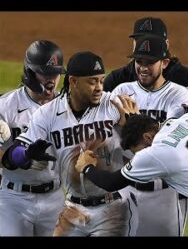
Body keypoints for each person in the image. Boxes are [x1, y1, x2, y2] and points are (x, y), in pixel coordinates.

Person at [2, 51, 138, 236]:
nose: (99, 87)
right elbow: (13, 154)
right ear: (73, 81)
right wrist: (25, 155)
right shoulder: (48, 113)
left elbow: (147, 142)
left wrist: (133, 126)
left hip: (113, 207)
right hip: (74, 209)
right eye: (92, 81)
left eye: (101, 80)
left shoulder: (114, 105)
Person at [112, 34, 188, 236]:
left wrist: (133, 122)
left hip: (164, 194)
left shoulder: (179, 95)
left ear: (164, 63)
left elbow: (168, 140)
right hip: (126, 190)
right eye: (139, 61)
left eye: (150, 62)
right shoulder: (122, 91)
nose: (143, 67)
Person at [0, 40, 66, 236]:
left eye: (55, 74)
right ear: (29, 73)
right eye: (44, 73)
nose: (51, 80)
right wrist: (20, 158)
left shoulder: (67, 107)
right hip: (14, 200)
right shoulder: (6, 106)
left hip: (55, 198)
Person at [104, 16, 188, 92]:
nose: (144, 44)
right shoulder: (117, 80)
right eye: (139, 40)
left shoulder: (186, 79)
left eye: (153, 41)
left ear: (166, 44)